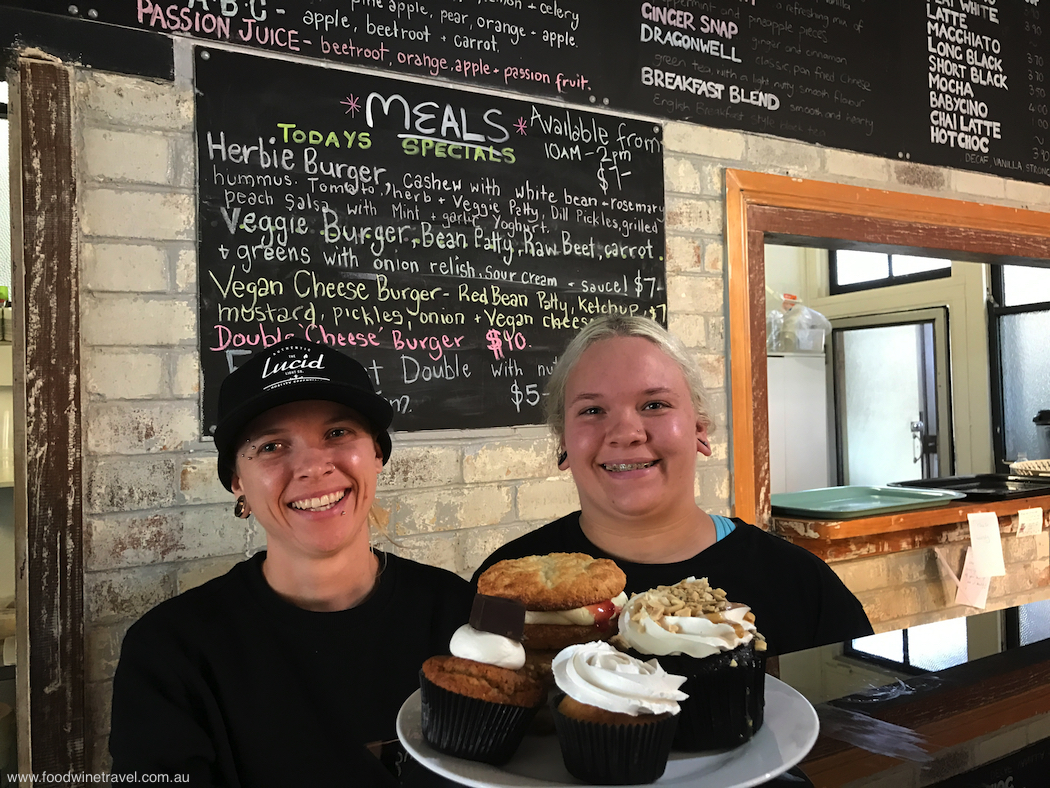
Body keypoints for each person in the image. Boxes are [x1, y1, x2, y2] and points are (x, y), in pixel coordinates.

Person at [110, 337, 473, 787]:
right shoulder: (169, 653)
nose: (312, 466)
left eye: (338, 433)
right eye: (271, 446)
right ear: (236, 481)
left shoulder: (460, 613)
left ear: (378, 454)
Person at [472, 315, 872, 656]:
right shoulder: (506, 584)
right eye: (592, 410)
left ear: (699, 429)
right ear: (563, 442)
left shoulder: (799, 584)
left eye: (654, 405)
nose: (626, 433)